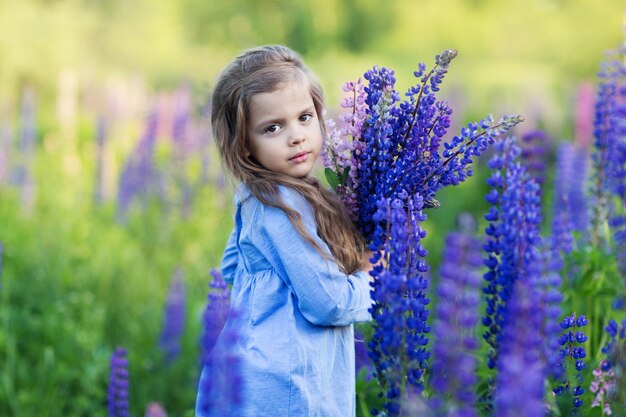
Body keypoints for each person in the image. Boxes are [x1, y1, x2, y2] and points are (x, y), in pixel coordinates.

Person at [195, 45, 375, 417]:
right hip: (286, 390)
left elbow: (234, 268)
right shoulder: (278, 205)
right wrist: (372, 280)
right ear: (244, 145)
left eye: (305, 117)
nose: (295, 136)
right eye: (273, 127)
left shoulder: (257, 197)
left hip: (256, 379)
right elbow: (329, 303)